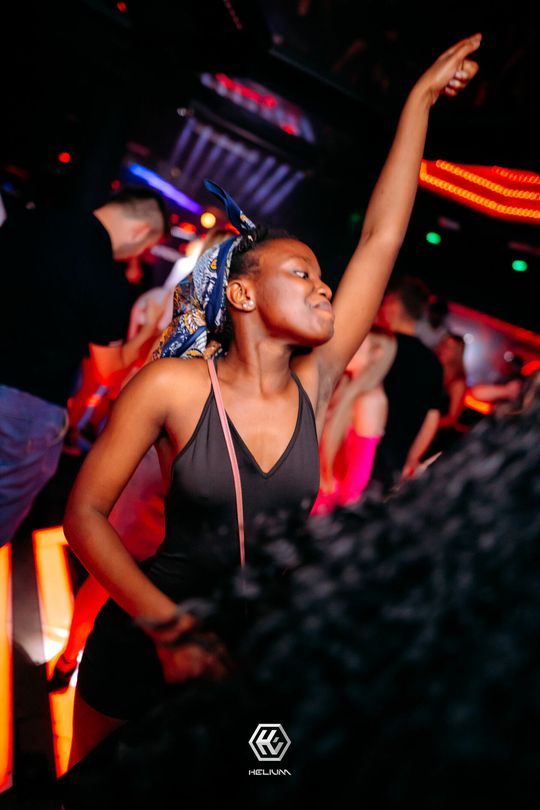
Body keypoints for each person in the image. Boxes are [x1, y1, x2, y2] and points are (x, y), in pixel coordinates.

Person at [62, 35, 482, 766]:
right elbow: (84, 516)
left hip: (248, 655)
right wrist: (170, 630)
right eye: (302, 273)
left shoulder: (316, 384)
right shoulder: (174, 384)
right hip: (143, 640)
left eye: (323, 276)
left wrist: (418, 102)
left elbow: (382, 237)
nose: (325, 286)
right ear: (244, 293)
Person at [49, 229, 232, 691]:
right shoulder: (178, 314)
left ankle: (84, 657)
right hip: (154, 452)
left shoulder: (181, 310)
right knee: (121, 564)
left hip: (176, 459)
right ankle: (75, 653)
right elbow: (134, 376)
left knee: (139, 570)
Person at [0, 186, 168, 546]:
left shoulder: (28, 221)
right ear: (141, 231)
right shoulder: (105, 275)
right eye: (146, 247)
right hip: (26, 407)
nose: (137, 256)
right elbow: (109, 370)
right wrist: (149, 332)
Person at [312, 327, 396, 513]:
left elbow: (358, 476)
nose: (349, 347)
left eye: (358, 344)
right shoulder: (348, 386)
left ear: (376, 353)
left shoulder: (370, 399)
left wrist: (335, 514)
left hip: (327, 502)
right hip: (318, 490)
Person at [372, 274, 444, 489]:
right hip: (393, 465)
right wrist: (411, 458)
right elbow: (432, 418)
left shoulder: (380, 346)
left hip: (359, 451)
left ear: (393, 304)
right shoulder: (433, 362)